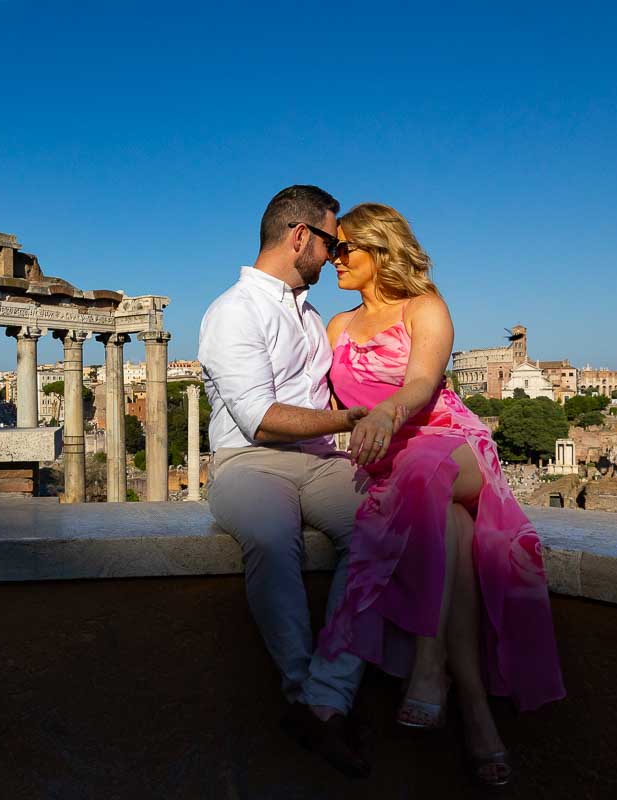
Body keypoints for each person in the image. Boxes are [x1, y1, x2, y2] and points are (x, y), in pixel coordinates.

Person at [317, 202, 566, 786]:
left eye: (343, 248)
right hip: (396, 467)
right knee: (451, 525)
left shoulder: (425, 307)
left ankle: (428, 662)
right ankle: (476, 712)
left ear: (379, 249)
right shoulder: (337, 326)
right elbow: (331, 411)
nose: (333, 260)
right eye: (330, 249)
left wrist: (383, 417)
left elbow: (424, 383)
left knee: (427, 469)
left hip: (451, 446)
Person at [199, 185, 406, 777]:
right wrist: (352, 419)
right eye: (332, 241)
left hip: (319, 461)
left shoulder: (311, 315)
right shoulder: (233, 311)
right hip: (248, 460)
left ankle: (324, 697)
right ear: (299, 238)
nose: (336, 254)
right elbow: (259, 421)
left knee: (383, 530)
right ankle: (305, 695)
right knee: (271, 540)